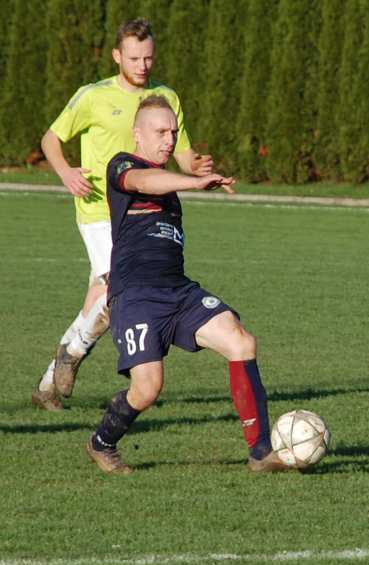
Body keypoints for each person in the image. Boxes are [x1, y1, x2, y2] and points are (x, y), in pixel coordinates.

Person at [86, 95, 290, 475]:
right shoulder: (123, 166)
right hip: (136, 296)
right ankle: (101, 442)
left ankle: (261, 452)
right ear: (137, 133)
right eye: (161, 132)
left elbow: (164, 181)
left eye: (174, 132)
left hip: (179, 293)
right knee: (147, 390)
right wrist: (195, 181)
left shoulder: (171, 188)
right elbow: (145, 180)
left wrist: (191, 178)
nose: (169, 140)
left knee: (241, 342)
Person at [33, 18, 215, 411]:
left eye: (148, 57)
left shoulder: (165, 97)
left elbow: (180, 151)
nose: (142, 65)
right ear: (117, 55)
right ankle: (74, 354)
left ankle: (50, 380)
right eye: (134, 57)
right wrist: (65, 172)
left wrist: (196, 166)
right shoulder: (93, 96)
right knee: (115, 284)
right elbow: (51, 138)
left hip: (143, 213)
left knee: (99, 297)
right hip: (99, 206)